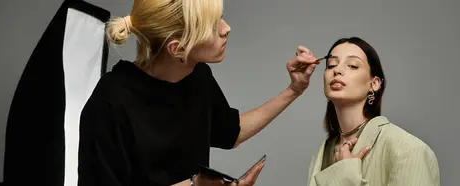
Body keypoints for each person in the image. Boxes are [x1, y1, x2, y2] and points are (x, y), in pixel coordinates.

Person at [76, 0, 319, 186]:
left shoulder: (198, 76)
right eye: (213, 26)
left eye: (221, 18)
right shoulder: (110, 103)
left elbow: (231, 132)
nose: (227, 29)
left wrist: (294, 90)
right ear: (178, 48)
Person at [306, 37, 440, 186]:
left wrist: (345, 175)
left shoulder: (408, 149)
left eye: (352, 65)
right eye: (331, 65)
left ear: (374, 84)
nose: (337, 70)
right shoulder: (323, 152)